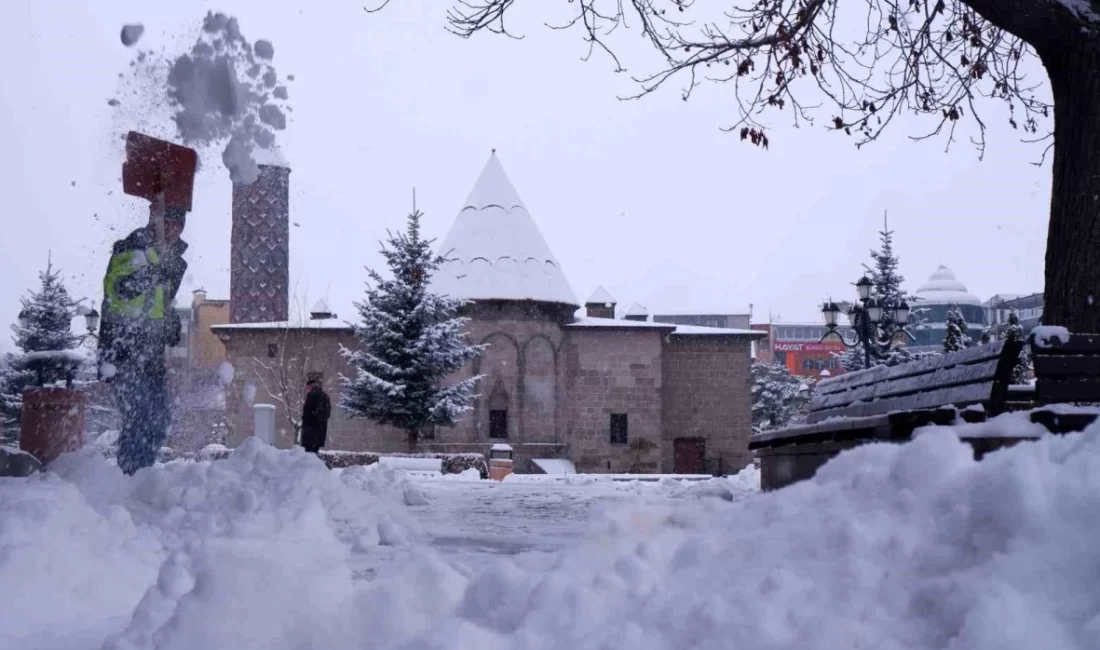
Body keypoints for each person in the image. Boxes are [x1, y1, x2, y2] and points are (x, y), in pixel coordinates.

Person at [98, 195, 188, 475]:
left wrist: (171, 324)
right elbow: (119, 289)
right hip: (124, 351)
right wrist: (154, 273)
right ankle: (130, 478)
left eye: (180, 224)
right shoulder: (132, 247)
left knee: (159, 421)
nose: (174, 229)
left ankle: (139, 477)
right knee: (139, 419)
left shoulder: (172, 259)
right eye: (169, 222)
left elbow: (159, 302)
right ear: (154, 219)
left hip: (151, 356)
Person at [300, 379, 331, 454]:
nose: (306, 389)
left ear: (312, 386)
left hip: (312, 431)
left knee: (309, 453)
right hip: (317, 431)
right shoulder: (323, 395)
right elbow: (327, 413)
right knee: (313, 452)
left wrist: (309, 423)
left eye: (307, 387)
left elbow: (316, 412)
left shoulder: (315, 395)